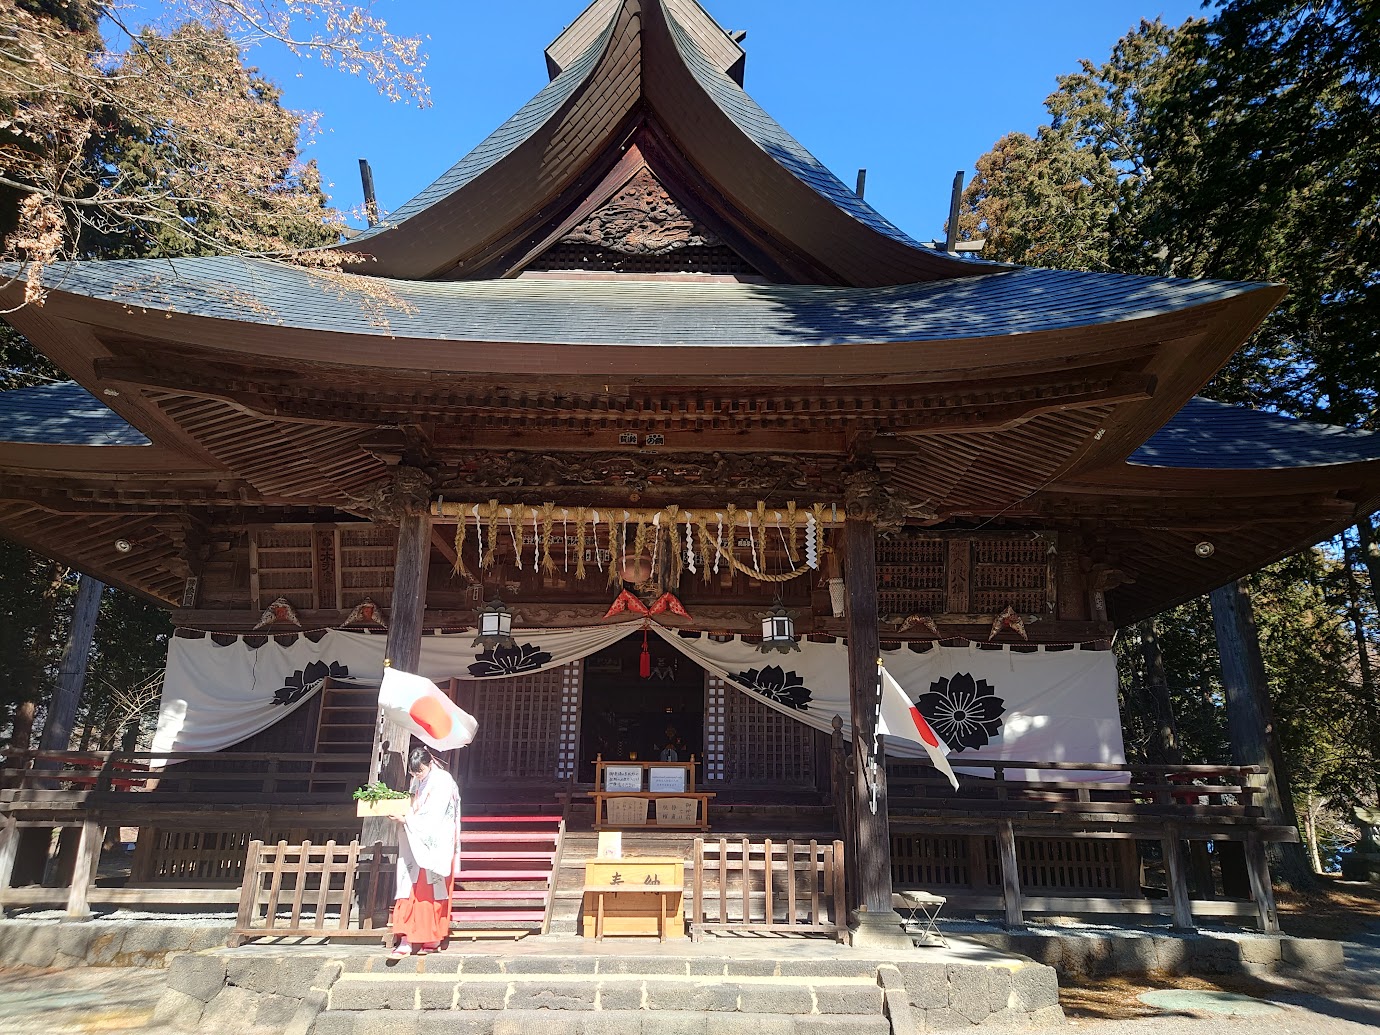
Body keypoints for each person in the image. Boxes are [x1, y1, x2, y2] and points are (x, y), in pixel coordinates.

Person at [388, 747, 460, 957]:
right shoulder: (418, 781)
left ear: (429, 764)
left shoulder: (443, 781)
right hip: (415, 840)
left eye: (419, 771)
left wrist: (408, 819)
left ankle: (432, 936)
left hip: (434, 842)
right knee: (408, 887)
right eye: (413, 773)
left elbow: (435, 814)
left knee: (429, 889)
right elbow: (416, 805)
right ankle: (405, 937)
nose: (416, 775)